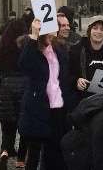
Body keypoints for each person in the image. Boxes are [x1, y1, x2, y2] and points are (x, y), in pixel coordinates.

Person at [19, 18, 72, 170]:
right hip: (39, 106)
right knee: (34, 151)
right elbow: (24, 65)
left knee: (56, 150)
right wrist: (34, 36)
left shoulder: (58, 50)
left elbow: (63, 76)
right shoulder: (31, 48)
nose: (52, 33)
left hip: (58, 107)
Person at [0, 17, 29, 170]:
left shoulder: (2, 46)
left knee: (7, 130)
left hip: (6, 90)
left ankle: (4, 153)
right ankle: (20, 160)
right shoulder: (25, 45)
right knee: (24, 128)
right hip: (24, 89)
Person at [67, 17, 103, 108]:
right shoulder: (76, 50)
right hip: (83, 101)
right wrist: (76, 81)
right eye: (95, 28)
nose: (98, 32)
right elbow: (68, 73)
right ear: (89, 30)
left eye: (102, 29)